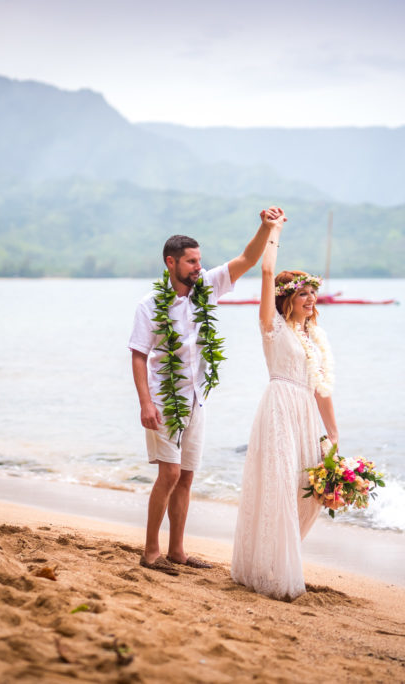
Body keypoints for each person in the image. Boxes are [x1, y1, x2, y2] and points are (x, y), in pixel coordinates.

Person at [129, 208, 284, 574]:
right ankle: (150, 552)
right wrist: (145, 404)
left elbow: (248, 258)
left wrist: (265, 227)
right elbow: (138, 356)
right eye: (191, 261)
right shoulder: (149, 307)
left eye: (200, 260)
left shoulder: (207, 288)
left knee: (185, 476)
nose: (199, 267)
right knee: (167, 474)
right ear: (171, 263)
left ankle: (177, 551)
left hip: (197, 397)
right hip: (164, 399)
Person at [231, 208, 339, 600]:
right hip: (279, 407)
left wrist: (334, 434)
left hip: (307, 415)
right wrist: (272, 231)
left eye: (313, 293)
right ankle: (269, 568)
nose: (310, 299)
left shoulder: (315, 336)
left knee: (308, 492)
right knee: (278, 486)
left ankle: (282, 557)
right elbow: (264, 272)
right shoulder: (272, 328)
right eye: (302, 293)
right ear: (286, 298)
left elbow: (322, 388)